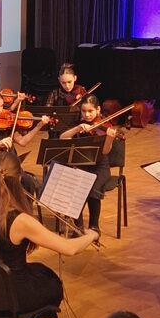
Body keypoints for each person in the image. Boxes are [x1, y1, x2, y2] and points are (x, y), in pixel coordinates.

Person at [0, 152, 98, 318]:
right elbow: (69, 248)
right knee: (55, 287)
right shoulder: (20, 220)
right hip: (13, 292)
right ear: (18, 179)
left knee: (43, 272)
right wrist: (92, 235)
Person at [59, 94, 121, 234]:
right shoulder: (78, 123)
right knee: (77, 187)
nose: (87, 115)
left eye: (90, 111)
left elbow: (105, 151)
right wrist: (77, 129)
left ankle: (94, 226)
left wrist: (109, 139)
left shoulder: (105, 126)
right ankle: (78, 227)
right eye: (83, 111)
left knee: (92, 188)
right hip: (82, 164)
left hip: (100, 166)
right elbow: (62, 138)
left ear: (98, 110)